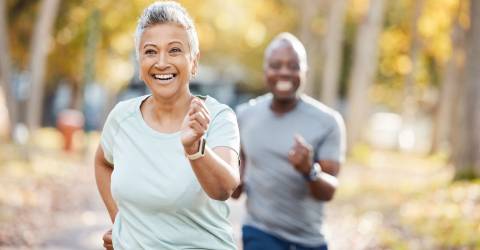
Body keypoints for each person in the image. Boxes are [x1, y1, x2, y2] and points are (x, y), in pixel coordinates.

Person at [95, 2, 240, 249]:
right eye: (151, 52)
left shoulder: (217, 117)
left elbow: (223, 189)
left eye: (174, 50)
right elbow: (102, 163)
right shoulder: (121, 118)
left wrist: (195, 148)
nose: (162, 62)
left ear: (194, 61)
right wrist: (120, 222)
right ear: (139, 62)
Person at [232, 33, 346, 250]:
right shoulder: (245, 116)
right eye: (276, 65)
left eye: (293, 66)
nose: (284, 72)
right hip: (259, 231)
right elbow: (236, 185)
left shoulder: (328, 122)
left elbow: (329, 191)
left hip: (309, 239)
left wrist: (309, 170)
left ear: (305, 71)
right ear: (265, 70)